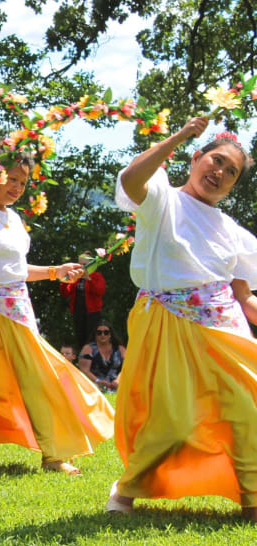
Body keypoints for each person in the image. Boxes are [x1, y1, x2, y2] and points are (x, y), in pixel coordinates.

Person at [106, 118, 257, 522]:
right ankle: (127, 491)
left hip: (225, 330)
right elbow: (132, 177)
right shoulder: (162, 197)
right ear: (196, 157)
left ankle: (252, 499)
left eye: (231, 172)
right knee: (171, 422)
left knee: (246, 411)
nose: (220, 172)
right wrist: (179, 134)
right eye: (216, 160)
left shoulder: (233, 232)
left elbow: (246, 297)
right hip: (167, 324)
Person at [0, 157, 115, 475]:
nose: (16, 187)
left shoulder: (13, 220)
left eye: (23, 182)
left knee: (39, 376)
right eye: (11, 179)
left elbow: (15, 270)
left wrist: (56, 271)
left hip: (17, 306)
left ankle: (53, 455)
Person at [59, 253, 106, 347]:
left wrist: (88, 278)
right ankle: (83, 359)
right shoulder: (76, 277)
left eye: (84, 264)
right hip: (78, 311)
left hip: (93, 313)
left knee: (93, 338)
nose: (82, 267)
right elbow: (65, 293)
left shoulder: (96, 275)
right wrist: (64, 280)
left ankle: (94, 359)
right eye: (80, 264)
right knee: (80, 337)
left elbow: (100, 291)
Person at [78, 320, 125, 391]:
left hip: (117, 383)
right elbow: (85, 370)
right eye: (99, 333)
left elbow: (128, 367)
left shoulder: (120, 349)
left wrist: (118, 380)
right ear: (95, 335)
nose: (102, 335)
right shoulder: (88, 348)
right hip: (95, 384)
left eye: (106, 332)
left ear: (110, 334)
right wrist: (98, 381)